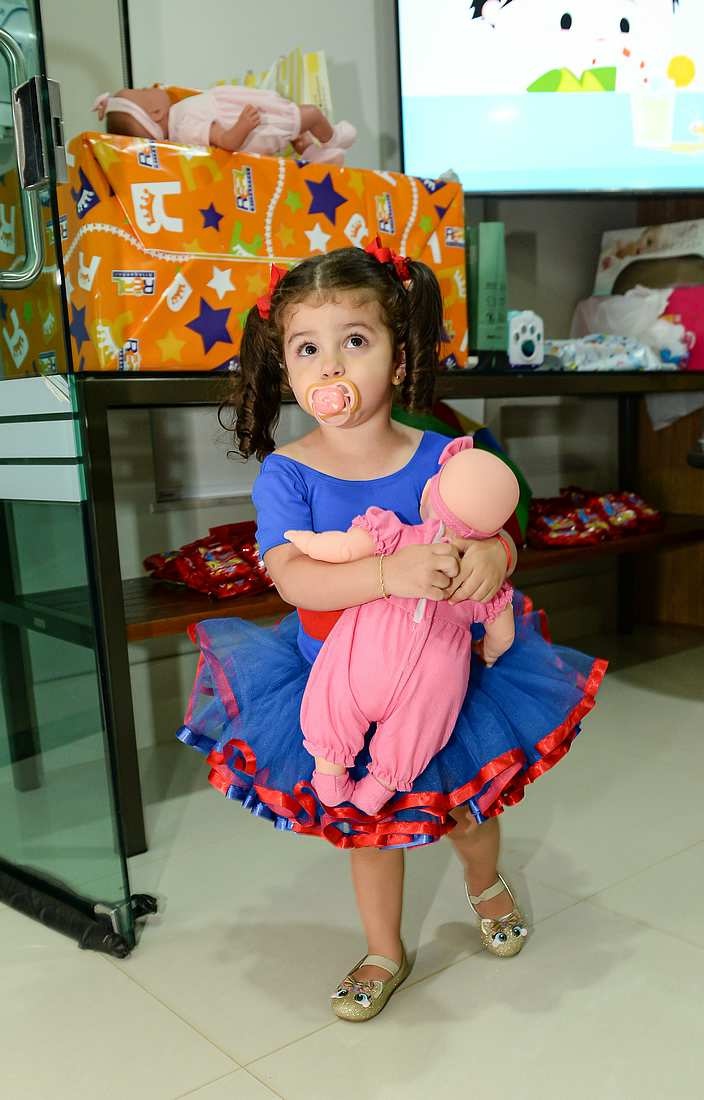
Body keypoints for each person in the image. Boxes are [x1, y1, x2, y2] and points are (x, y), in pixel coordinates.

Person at [178, 239, 607, 1023]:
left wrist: (497, 554)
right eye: (308, 348)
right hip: (335, 682)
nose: (331, 366)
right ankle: (385, 948)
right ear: (286, 367)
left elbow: (499, 524)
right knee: (369, 828)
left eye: (355, 340)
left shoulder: (444, 455)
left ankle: (485, 883)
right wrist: (389, 574)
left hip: (446, 679)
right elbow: (294, 578)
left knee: (469, 812)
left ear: (400, 358)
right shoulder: (289, 472)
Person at [284, 437, 520, 816]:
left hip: (366, 653)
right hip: (434, 678)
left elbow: (345, 548)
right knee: (418, 730)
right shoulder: (476, 581)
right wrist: (488, 653)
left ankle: (329, 778)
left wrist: (309, 544)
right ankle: (379, 789)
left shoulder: (396, 535)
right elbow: (504, 635)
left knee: (337, 698)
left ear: (429, 494)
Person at [92, 86, 356, 163]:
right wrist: (244, 124)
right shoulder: (183, 126)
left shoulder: (179, 117)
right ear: (156, 111)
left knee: (296, 131)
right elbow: (226, 141)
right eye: (143, 91)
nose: (149, 87)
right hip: (257, 130)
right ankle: (334, 138)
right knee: (309, 115)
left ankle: (314, 156)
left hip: (256, 123)